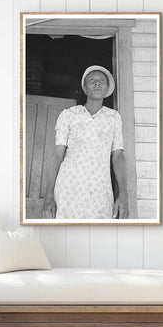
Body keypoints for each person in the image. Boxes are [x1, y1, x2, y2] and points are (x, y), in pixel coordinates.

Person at [42, 65, 129, 219]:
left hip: (100, 190)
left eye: (101, 80)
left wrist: (123, 194)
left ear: (108, 89)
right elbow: (57, 155)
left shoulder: (114, 117)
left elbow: (118, 156)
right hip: (68, 187)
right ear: (85, 89)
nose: (97, 83)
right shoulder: (69, 115)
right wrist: (48, 195)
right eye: (92, 80)